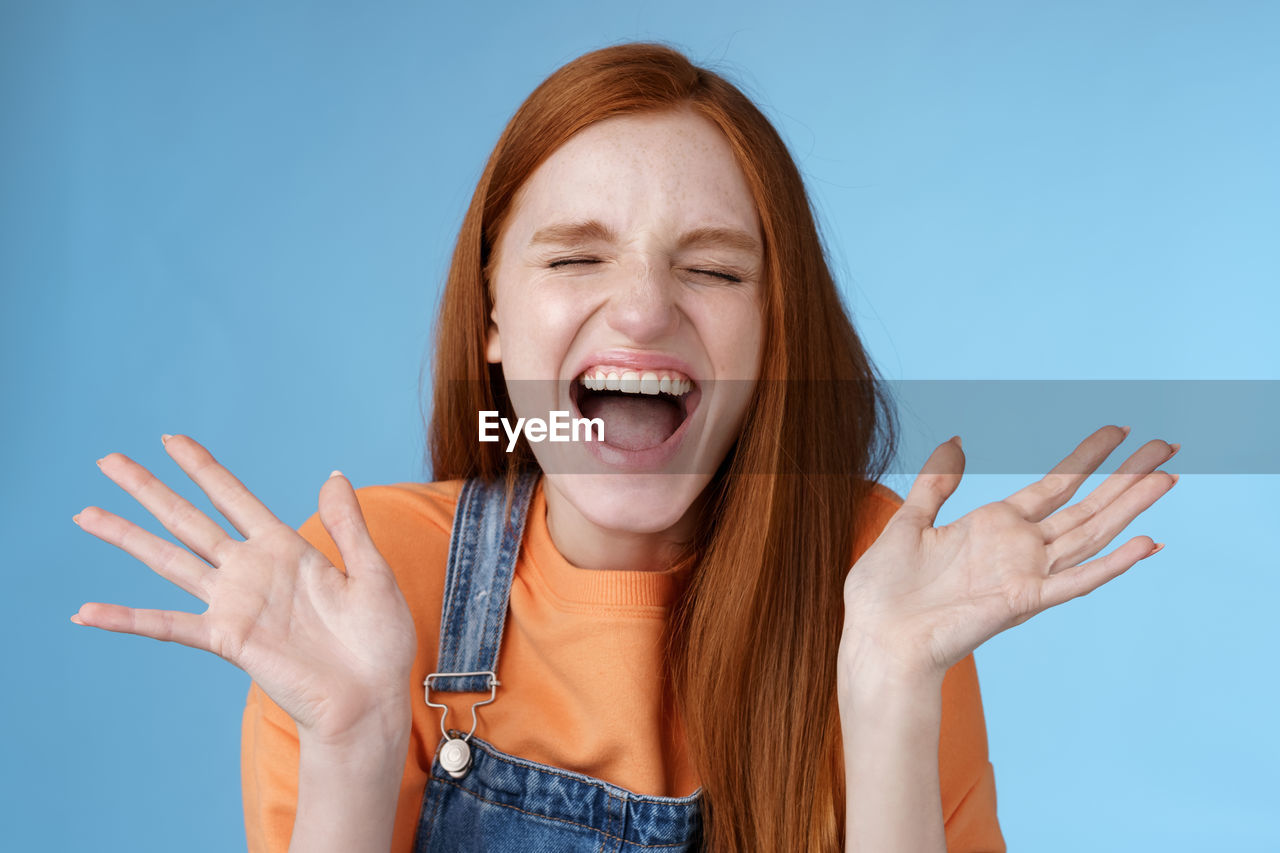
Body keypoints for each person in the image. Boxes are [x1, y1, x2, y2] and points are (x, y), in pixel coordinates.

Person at [70, 42, 1178, 852]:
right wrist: (356, 744)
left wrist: (885, 686)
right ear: (492, 319)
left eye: (713, 268)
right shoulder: (368, 589)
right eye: (575, 260)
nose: (644, 311)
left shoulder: (879, 581)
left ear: (771, 333)